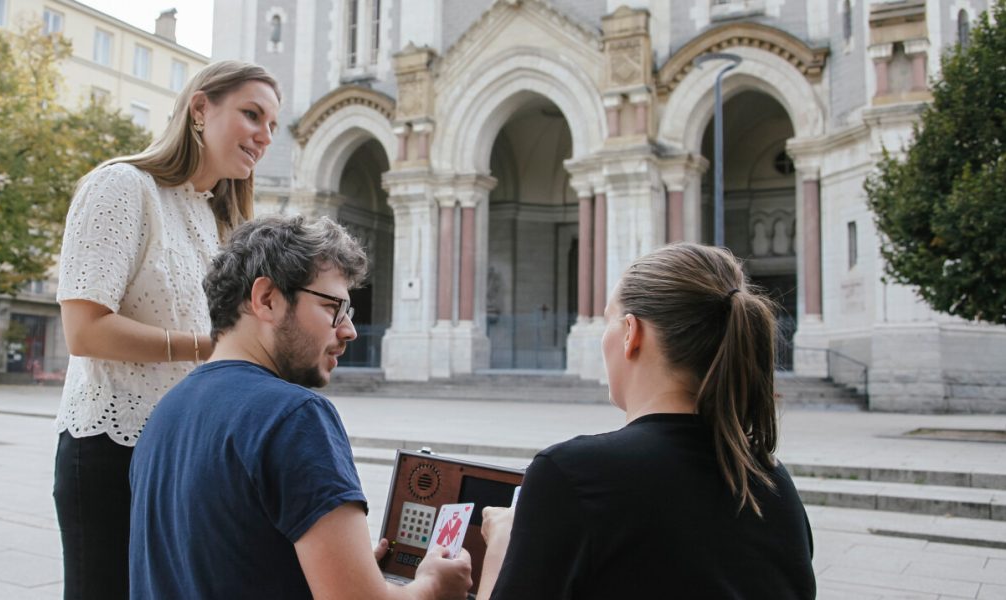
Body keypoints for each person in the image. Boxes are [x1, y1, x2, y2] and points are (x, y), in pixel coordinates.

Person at [129, 214, 474, 599]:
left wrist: (347, 570)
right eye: (333, 308)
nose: (349, 330)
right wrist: (432, 586)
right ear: (267, 300)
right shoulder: (294, 416)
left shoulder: (166, 412)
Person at [53, 60, 281, 599]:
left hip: (186, 454)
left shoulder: (219, 221)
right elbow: (84, 331)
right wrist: (209, 349)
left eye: (272, 126)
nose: (264, 136)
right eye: (252, 115)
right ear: (201, 108)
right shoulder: (122, 186)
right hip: (112, 450)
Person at [476, 242, 816, 600]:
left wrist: (501, 548)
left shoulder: (573, 474)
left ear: (630, 333)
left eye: (608, 320)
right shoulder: (773, 482)